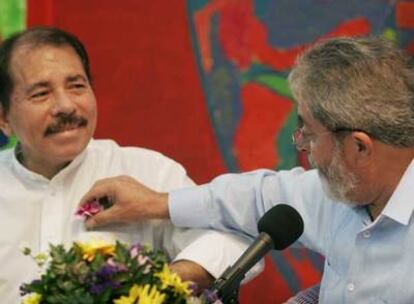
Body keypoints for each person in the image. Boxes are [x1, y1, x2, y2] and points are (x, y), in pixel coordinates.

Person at [79, 36, 414, 303]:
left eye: (310, 134)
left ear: (359, 147)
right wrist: (157, 203)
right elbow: (255, 197)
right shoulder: (344, 191)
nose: (302, 146)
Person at [0, 26, 260, 303]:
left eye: (77, 86)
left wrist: (162, 284)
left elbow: (235, 241)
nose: (66, 106)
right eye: (41, 93)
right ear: (4, 118)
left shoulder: (147, 171)